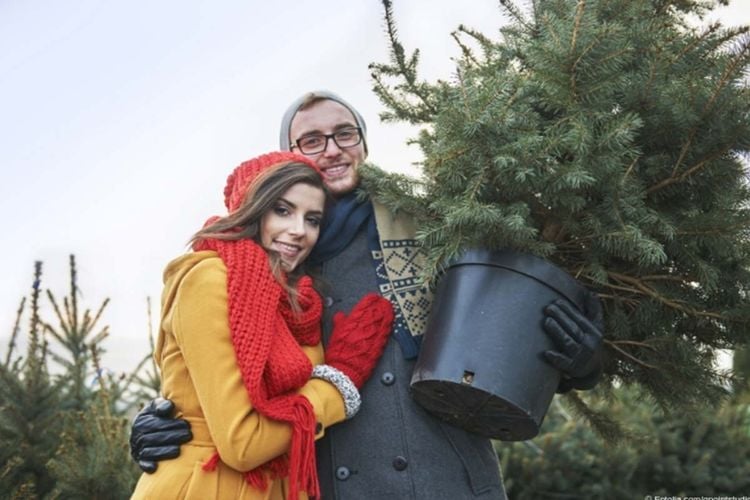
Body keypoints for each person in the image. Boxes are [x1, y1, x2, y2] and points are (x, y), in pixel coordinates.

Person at [130, 91, 605, 499]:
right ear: (288, 159)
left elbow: (503, 331)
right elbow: (226, 372)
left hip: (446, 477)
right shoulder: (268, 261)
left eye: (345, 134)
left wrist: (576, 363)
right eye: (312, 140)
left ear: (363, 144)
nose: (333, 149)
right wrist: (163, 421)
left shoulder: (432, 228)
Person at [130, 151, 394, 500]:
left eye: (312, 219)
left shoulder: (299, 304)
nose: (298, 231)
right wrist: (338, 382)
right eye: (282, 210)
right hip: (206, 487)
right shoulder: (210, 279)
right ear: (252, 208)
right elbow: (242, 443)